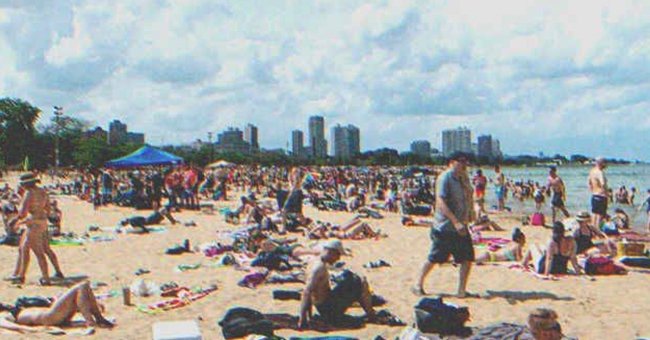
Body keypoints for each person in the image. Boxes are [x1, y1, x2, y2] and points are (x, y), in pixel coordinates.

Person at [413, 152, 475, 297]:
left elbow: (467, 197)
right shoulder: (445, 178)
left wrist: (470, 213)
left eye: (466, 161)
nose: (464, 164)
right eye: (461, 161)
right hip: (445, 227)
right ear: (451, 162)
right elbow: (440, 202)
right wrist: (455, 221)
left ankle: (461, 290)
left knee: (467, 258)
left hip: (462, 226)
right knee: (435, 258)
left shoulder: (462, 178)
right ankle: (418, 284)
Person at [298, 240, 376, 328]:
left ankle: (371, 313)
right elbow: (306, 292)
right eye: (338, 255)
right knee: (360, 281)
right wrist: (303, 319)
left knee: (351, 277)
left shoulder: (314, 262)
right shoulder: (318, 268)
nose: (338, 259)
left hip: (324, 304)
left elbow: (310, 291)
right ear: (331, 252)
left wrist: (310, 315)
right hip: (329, 308)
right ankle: (371, 314)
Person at [8, 173, 64, 285]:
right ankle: (21, 275)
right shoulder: (43, 192)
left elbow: (23, 212)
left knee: (37, 251)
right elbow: (47, 209)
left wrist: (14, 220)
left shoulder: (29, 193)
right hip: (42, 222)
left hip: (33, 224)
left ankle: (45, 278)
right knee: (27, 248)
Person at [0, 281, 114, 332]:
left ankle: (98, 318)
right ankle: (92, 321)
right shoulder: (2, 316)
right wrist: (34, 330)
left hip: (54, 316)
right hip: (50, 317)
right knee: (82, 286)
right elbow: (11, 326)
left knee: (85, 288)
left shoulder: (13, 309)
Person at [588, 158, 608, 231]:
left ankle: (593, 230)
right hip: (601, 195)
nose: (605, 165)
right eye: (604, 163)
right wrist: (607, 194)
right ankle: (598, 231)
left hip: (594, 195)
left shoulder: (592, 172)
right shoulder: (600, 172)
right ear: (601, 163)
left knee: (594, 214)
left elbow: (589, 183)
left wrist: (592, 191)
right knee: (600, 215)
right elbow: (603, 184)